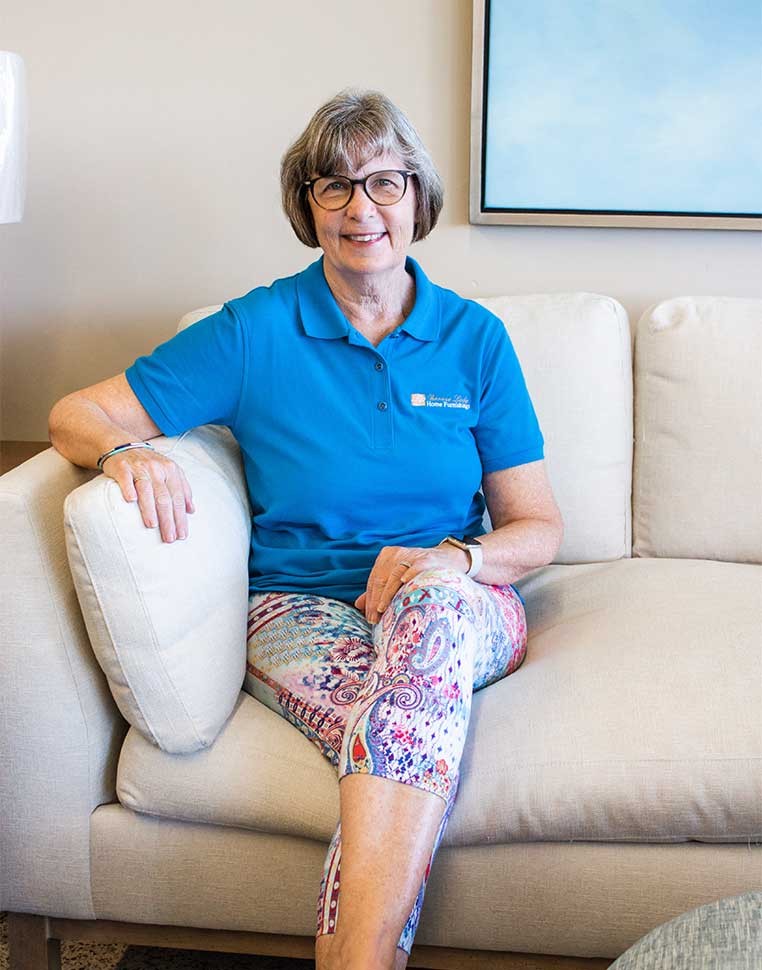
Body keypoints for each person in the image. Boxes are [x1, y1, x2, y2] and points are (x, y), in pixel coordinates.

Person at [48, 89, 563, 970]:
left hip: (451, 598)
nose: (364, 208)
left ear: (418, 197)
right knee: (402, 736)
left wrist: (454, 558)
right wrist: (120, 457)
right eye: (335, 187)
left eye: (386, 182)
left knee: (428, 629)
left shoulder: (476, 340)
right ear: (308, 205)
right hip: (297, 608)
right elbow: (75, 413)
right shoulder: (255, 331)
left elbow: (537, 528)